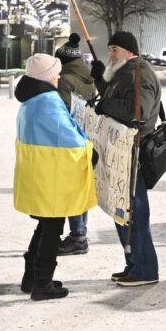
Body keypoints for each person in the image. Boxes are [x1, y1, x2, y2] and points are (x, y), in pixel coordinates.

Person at [13, 53, 94, 301]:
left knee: (44, 226)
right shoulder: (47, 101)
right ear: (45, 77)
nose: (58, 77)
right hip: (52, 175)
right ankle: (43, 283)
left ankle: (31, 277)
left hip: (39, 172)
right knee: (52, 228)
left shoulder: (30, 101)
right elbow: (68, 135)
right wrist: (90, 150)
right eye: (55, 73)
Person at [94, 31, 161, 287]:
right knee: (123, 210)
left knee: (135, 212)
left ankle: (145, 270)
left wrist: (105, 106)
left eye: (115, 50)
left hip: (134, 152)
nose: (110, 54)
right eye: (109, 49)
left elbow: (137, 112)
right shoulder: (125, 72)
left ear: (130, 52)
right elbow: (118, 100)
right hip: (122, 152)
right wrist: (100, 83)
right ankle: (134, 264)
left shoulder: (139, 73)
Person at [54, 34, 102, 255]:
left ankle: (77, 236)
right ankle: (80, 233)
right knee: (81, 187)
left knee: (71, 188)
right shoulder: (88, 78)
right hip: (88, 138)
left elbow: (63, 112)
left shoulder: (65, 80)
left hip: (71, 140)